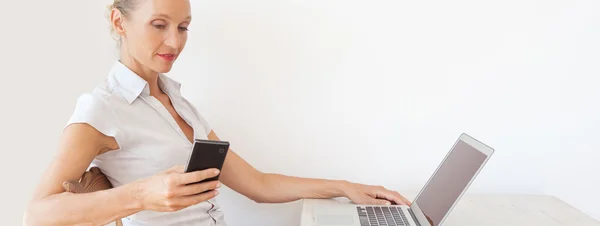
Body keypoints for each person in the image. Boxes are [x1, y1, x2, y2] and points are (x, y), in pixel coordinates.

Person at [23, 0, 411, 225]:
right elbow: (37, 214)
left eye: (184, 27)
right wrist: (143, 194)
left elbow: (257, 184)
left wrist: (345, 189)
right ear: (118, 21)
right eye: (159, 25)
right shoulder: (101, 108)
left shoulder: (177, 101)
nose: (174, 42)